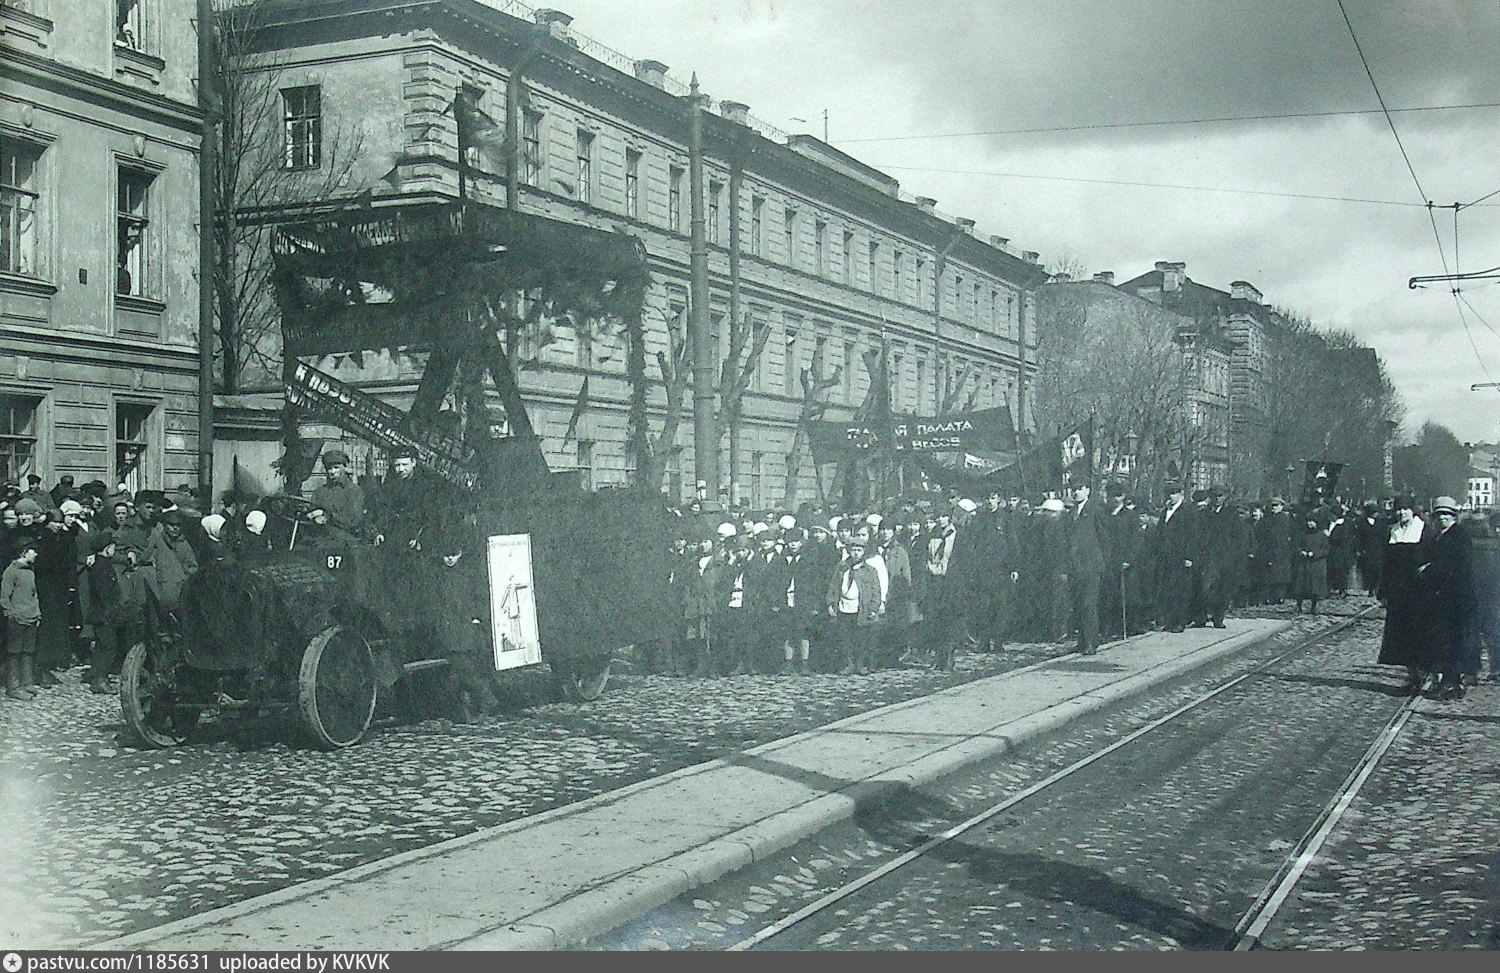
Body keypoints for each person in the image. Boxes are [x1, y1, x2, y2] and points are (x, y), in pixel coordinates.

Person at [1376, 495, 1436, 693]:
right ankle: (1413, 677)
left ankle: (1430, 674)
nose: (1402, 513)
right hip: (1398, 592)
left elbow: (1433, 559)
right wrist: (1383, 591)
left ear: (1413, 510)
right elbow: (1386, 564)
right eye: (1398, 510)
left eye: (1405, 509)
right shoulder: (1391, 532)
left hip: (1420, 590)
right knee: (1401, 635)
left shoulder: (1424, 531)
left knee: (1421, 632)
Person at [1422, 497, 1476, 700]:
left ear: (1454, 516)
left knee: (1453, 641)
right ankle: (1448, 681)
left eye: (1447, 514)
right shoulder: (1441, 536)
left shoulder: (1458, 536)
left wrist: (1429, 570)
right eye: (1439, 515)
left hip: (1456, 598)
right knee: (1444, 641)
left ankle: (1453, 684)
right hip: (1445, 597)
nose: (1443, 518)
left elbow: (1455, 567)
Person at [826, 533, 883, 674]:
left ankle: (860, 664)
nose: (856, 553)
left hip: (861, 608)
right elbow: (833, 587)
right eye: (853, 550)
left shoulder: (869, 570)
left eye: (859, 550)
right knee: (846, 638)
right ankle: (849, 664)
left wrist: (873, 607)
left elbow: (876, 590)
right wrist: (831, 604)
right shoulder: (842, 568)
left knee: (861, 638)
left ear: (864, 552)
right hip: (844, 607)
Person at [1066, 482, 1107, 654]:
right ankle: (1082, 641)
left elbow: (1104, 538)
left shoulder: (1095, 510)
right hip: (1075, 567)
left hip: (1091, 566)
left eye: (1079, 489)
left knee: (1089, 604)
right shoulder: (1071, 513)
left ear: (1087, 490)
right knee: (1077, 604)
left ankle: (1092, 642)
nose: (1076, 492)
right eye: (1073, 489)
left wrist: (1103, 563)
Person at [1153, 482, 1198, 633]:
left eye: (1173, 493)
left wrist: (1190, 557)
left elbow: (1193, 536)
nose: (1170, 496)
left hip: (1181, 557)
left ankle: (1180, 622)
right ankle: (1169, 620)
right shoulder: (1165, 512)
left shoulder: (1188, 511)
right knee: (1168, 589)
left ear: (1180, 494)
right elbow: (1159, 534)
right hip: (1165, 557)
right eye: (1168, 493)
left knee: (1181, 590)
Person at [2, 541, 41, 698]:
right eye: (33, 551)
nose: (36, 554)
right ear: (24, 552)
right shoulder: (11, 572)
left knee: (28, 651)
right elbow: (4, 596)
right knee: (14, 652)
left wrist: (37, 614)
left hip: (31, 617)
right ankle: (14, 687)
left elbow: (34, 595)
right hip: (17, 619)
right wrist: (10, 614)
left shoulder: (30, 571)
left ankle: (27, 683)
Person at [312, 449, 368, 534]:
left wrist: (327, 516)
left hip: (345, 538)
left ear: (345, 467)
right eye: (329, 468)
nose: (332, 472)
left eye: (336, 467)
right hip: (319, 535)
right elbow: (311, 511)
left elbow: (353, 521)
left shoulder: (354, 491)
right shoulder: (319, 492)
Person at [1291, 511, 1330, 614]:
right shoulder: (1303, 534)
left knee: (1315, 587)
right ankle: (1298, 605)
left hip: (1317, 564)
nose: (1310, 524)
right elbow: (1297, 546)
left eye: (1312, 522)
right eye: (1308, 522)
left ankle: (1313, 606)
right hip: (1304, 563)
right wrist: (1301, 552)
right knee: (1301, 586)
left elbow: (1326, 550)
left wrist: (1315, 554)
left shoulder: (1322, 535)